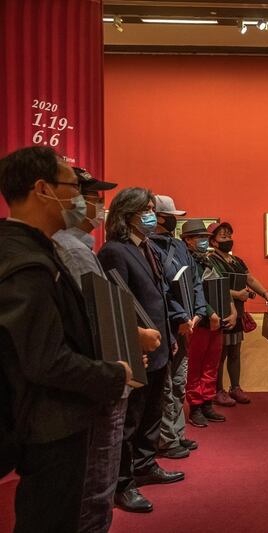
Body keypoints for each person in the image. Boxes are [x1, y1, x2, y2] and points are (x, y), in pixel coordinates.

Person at [0, 146, 133, 532]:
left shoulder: (35, 251)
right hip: (49, 423)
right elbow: (46, 359)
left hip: (50, 418)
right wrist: (114, 374)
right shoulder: (27, 262)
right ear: (43, 189)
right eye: (74, 187)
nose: (80, 198)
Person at [52, 168, 161, 531]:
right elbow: (104, 311)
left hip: (121, 358)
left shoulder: (89, 247)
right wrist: (132, 340)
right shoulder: (91, 250)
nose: (96, 205)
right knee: (96, 482)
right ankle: (124, 483)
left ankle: (138, 470)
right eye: (89, 195)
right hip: (104, 369)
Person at [98, 187, 186, 514]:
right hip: (137, 347)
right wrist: (136, 340)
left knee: (152, 412)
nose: (151, 215)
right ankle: (123, 483)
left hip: (160, 342)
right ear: (127, 213)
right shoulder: (115, 252)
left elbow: (159, 295)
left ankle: (146, 464)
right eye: (146, 209)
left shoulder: (146, 246)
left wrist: (169, 334)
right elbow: (117, 305)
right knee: (131, 419)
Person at [151, 195, 207, 458]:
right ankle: (166, 439)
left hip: (187, 324)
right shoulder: (150, 247)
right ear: (162, 217)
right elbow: (161, 289)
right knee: (165, 386)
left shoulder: (179, 246)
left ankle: (178, 433)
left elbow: (194, 281)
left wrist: (198, 312)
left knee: (178, 383)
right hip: (169, 325)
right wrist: (181, 316)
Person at [208, 221, 268, 403]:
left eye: (229, 236)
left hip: (238, 311)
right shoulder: (210, 261)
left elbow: (249, 279)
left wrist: (264, 293)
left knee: (235, 352)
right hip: (222, 312)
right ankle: (217, 390)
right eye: (223, 236)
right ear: (213, 242)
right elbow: (213, 285)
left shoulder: (236, 260)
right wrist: (237, 293)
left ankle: (235, 387)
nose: (228, 239)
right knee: (220, 354)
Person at [180, 220, 231, 426]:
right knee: (196, 365)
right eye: (199, 238)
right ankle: (195, 406)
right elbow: (194, 291)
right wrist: (210, 313)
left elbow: (221, 287)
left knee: (212, 364)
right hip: (200, 321)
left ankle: (207, 402)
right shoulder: (186, 262)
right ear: (188, 240)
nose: (204, 241)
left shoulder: (209, 261)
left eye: (205, 238)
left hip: (217, 321)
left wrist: (230, 311)